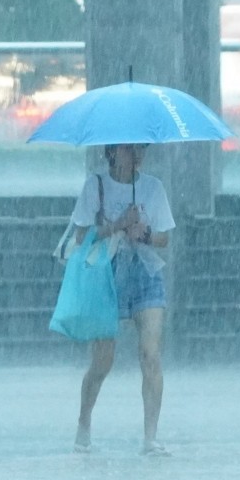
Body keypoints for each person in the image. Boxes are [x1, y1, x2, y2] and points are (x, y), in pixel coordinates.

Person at [71, 143, 175, 456]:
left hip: (145, 273)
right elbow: (80, 237)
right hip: (107, 274)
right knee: (103, 360)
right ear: (113, 152)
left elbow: (165, 238)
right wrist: (118, 225)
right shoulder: (96, 186)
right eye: (130, 149)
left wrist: (142, 234)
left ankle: (150, 437)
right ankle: (83, 424)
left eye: (141, 148)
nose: (137, 154)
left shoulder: (152, 188)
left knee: (150, 354)